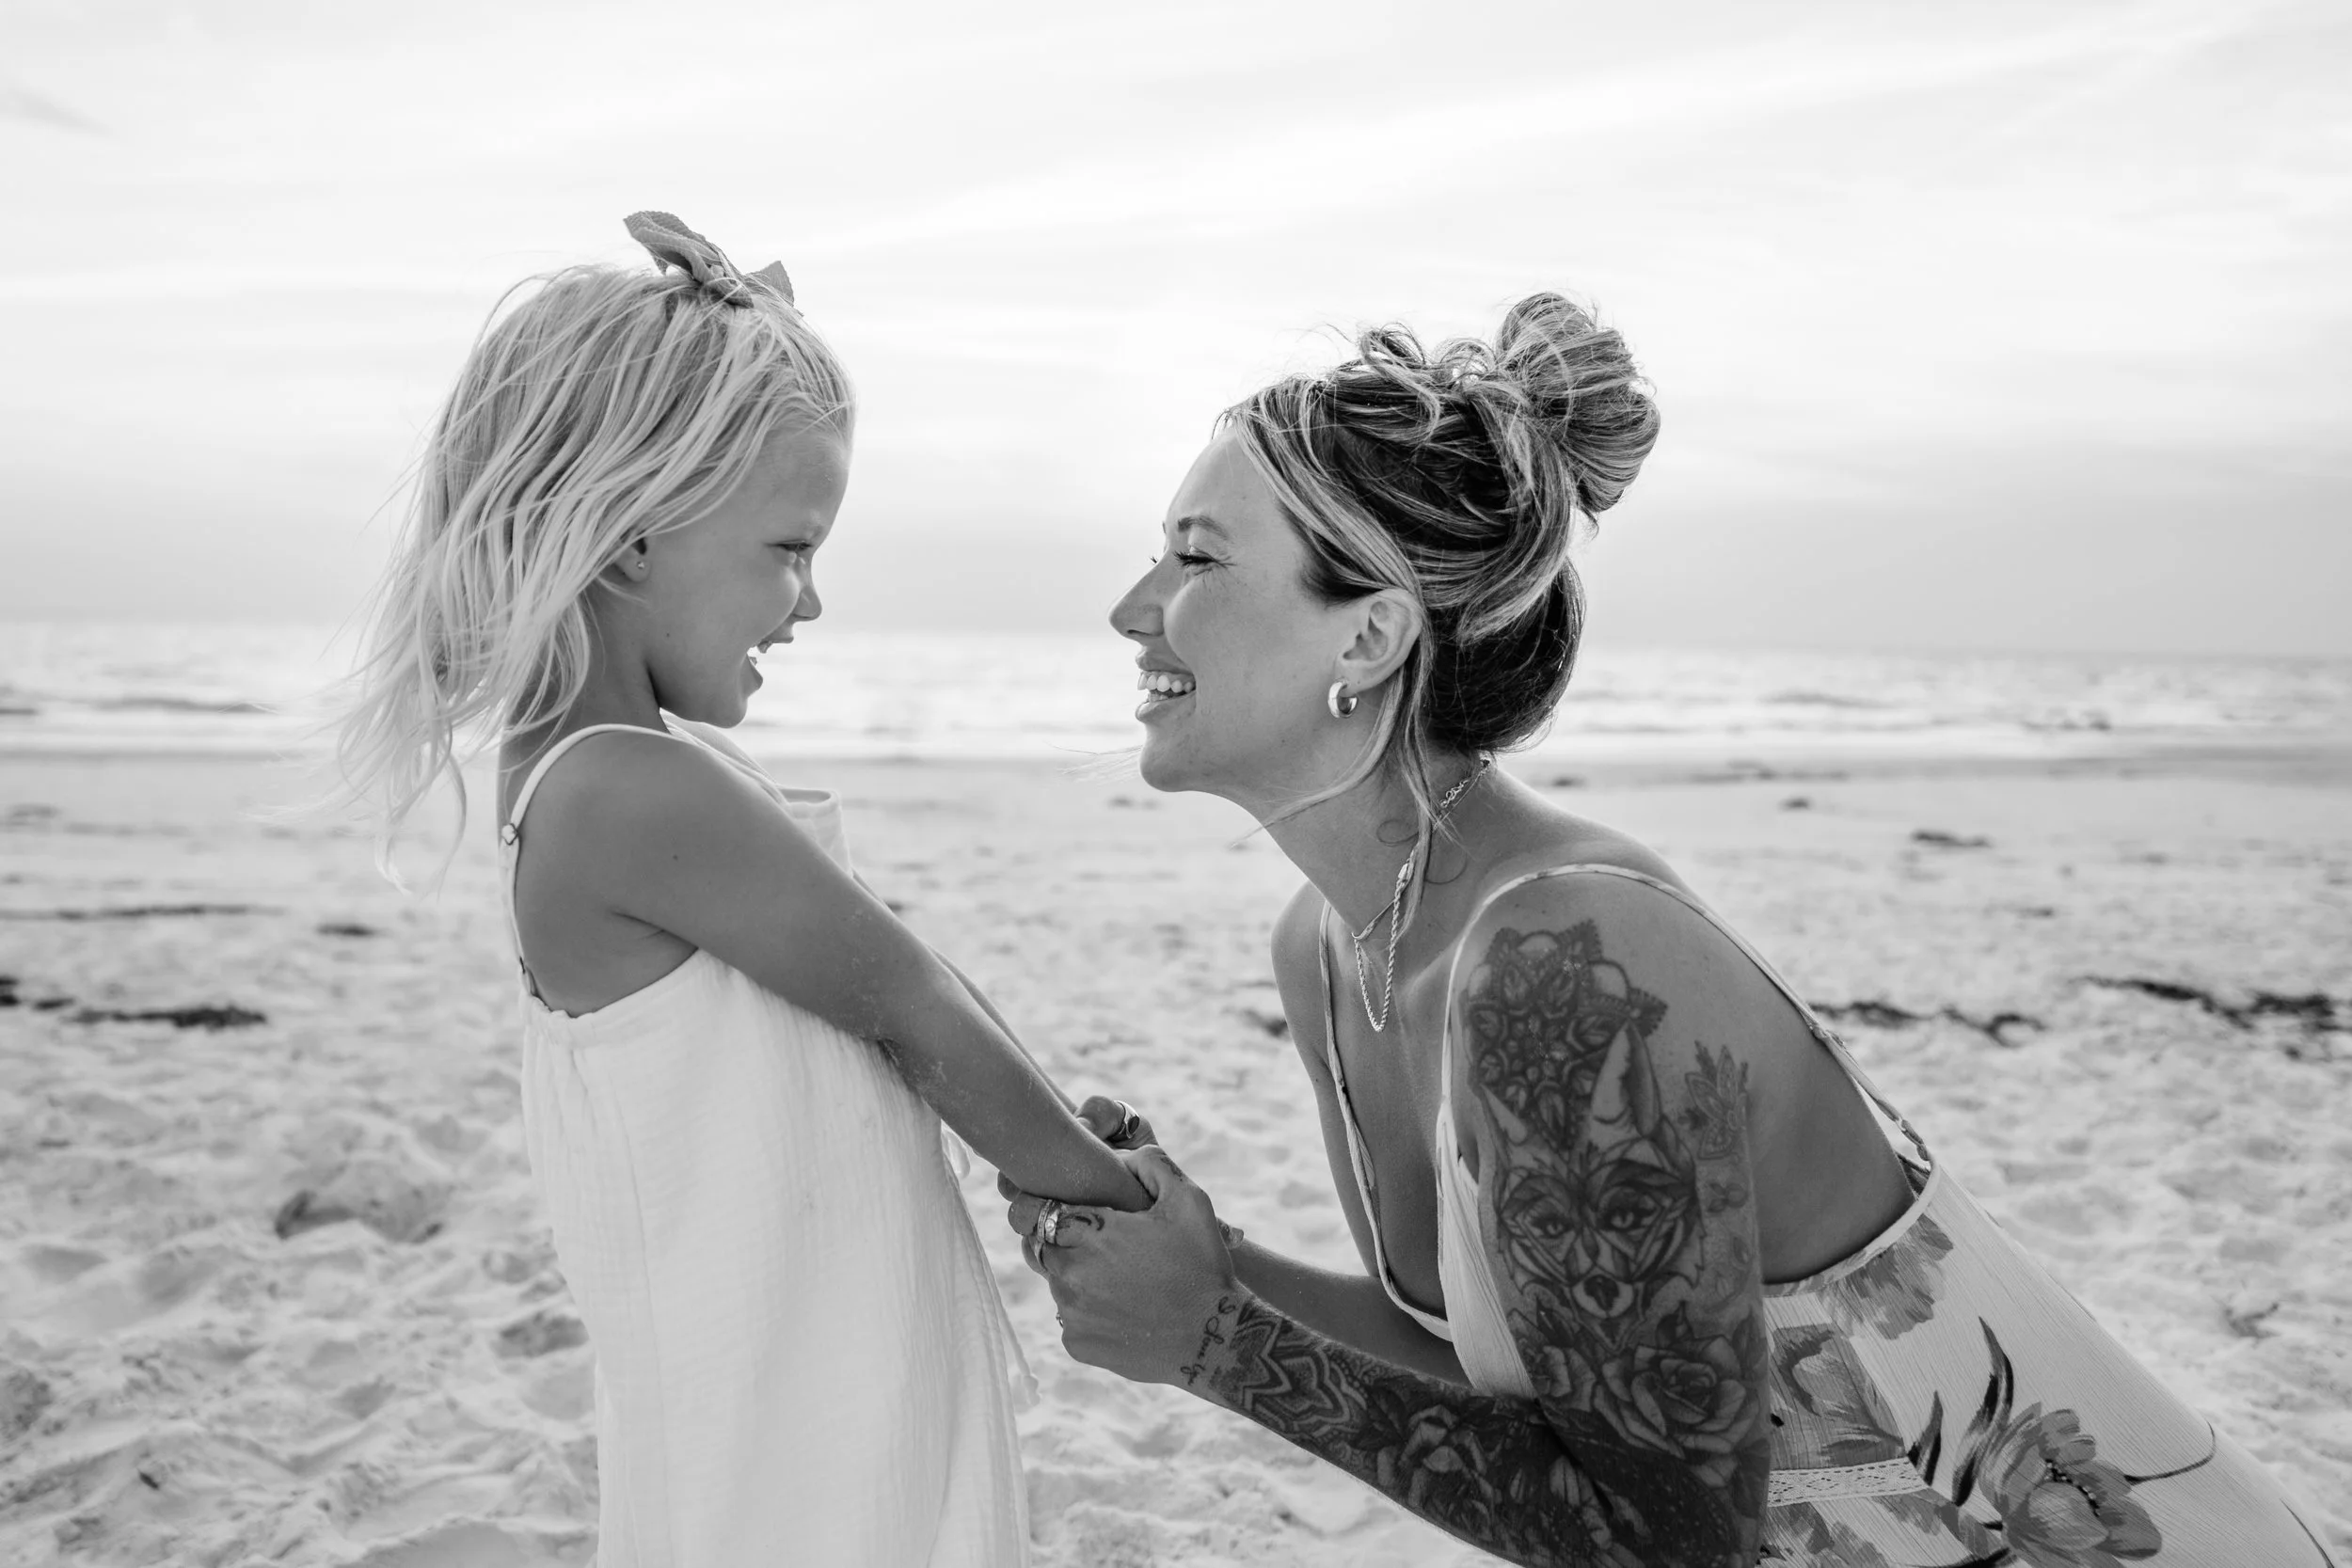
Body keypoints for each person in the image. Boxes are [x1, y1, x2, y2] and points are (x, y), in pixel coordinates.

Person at [1005, 295, 2337, 1566]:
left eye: (1193, 557)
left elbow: (1666, 1539)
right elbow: (1512, 1378)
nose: (1132, 608)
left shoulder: (1563, 962)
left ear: (1370, 637)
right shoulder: (1328, 944)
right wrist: (1196, 1256)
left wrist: (1216, 1343)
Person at [334, 212, 1142, 1566]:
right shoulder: (627, 793)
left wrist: (1060, 1118)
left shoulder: (621, 778)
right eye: (790, 548)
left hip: (804, 1367)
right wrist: (1115, 1190)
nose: (810, 602)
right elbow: (917, 1007)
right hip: (805, 1425)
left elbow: (891, 975)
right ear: (633, 534)